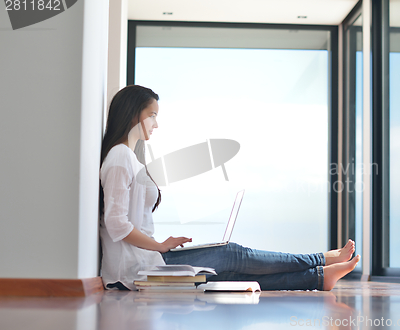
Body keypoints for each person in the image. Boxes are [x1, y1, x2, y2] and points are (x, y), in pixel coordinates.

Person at [99, 85, 360, 291]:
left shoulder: (129, 158)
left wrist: (159, 246)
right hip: (136, 267)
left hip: (145, 261)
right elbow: (116, 223)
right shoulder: (120, 156)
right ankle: (321, 260)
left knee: (229, 274)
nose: (157, 124)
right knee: (232, 254)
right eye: (152, 115)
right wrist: (160, 245)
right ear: (134, 114)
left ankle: (317, 278)